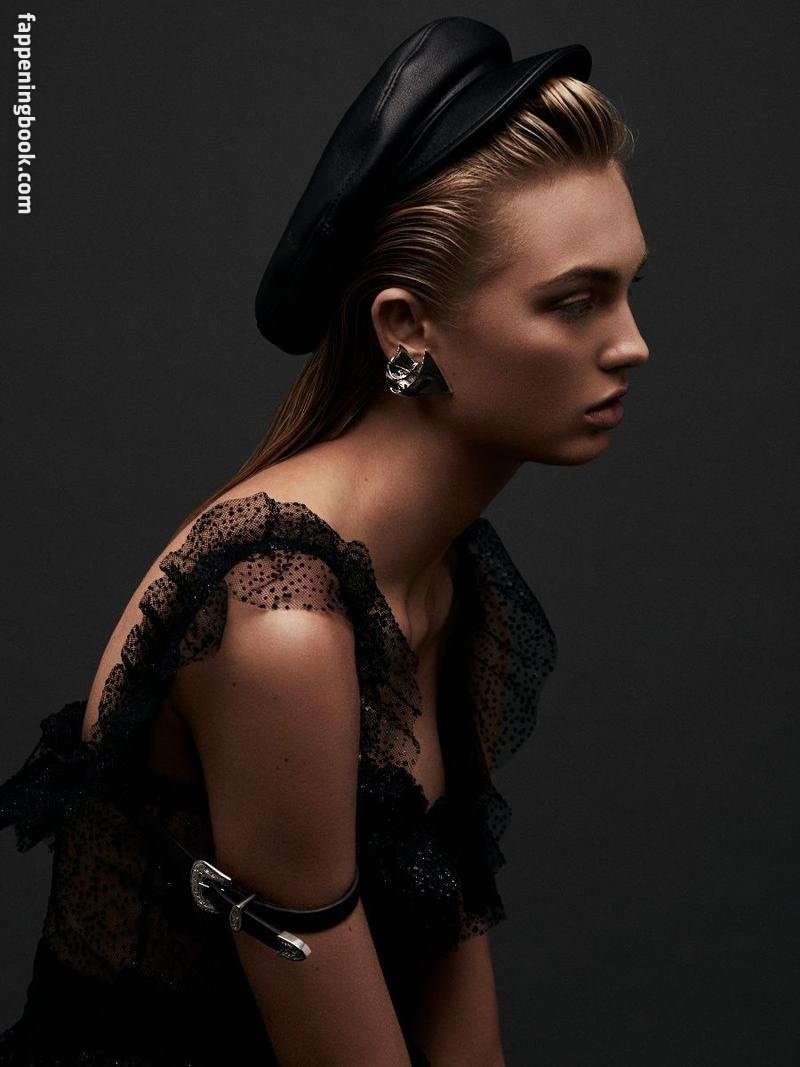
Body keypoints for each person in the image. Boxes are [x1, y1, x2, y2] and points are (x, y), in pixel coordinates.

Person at [0, 16, 650, 1067]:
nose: (631, 345)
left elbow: (454, 994)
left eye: (628, 290)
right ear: (406, 329)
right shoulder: (280, 624)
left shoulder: (436, 575)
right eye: (575, 302)